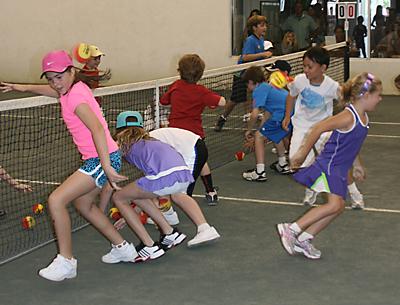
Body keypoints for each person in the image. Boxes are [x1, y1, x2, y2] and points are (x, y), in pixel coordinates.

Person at [0, 50, 137, 281]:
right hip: (102, 158)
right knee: (84, 205)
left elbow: (96, 130)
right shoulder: (75, 87)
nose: (55, 83)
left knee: (56, 200)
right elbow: (51, 91)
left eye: (59, 77)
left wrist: (106, 166)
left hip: (101, 158)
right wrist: (19, 87)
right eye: (50, 78)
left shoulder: (75, 97)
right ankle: (123, 248)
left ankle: (66, 261)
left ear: (71, 71)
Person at [277, 72, 382, 259]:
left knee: (339, 206)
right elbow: (318, 128)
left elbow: (353, 144)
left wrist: (357, 165)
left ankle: (305, 239)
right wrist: (301, 153)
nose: (380, 99)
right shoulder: (347, 116)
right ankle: (291, 230)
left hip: (340, 169)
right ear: (365, 96)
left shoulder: (363, 118)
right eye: (377, 95)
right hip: (329, 166)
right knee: (334, 205)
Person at [111, 111, 221, 250]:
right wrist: (133, 211)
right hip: (186, 162)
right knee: (156, 190)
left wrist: (128, 213)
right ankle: (169, 222)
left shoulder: (128, 144)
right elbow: (147, 189)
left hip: (186, 154)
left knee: (177, 194)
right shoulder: (149, 139)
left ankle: (202, 229)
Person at [160, 54, 226, 205]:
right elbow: (222, 102)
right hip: (194, 138)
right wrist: (210, 100)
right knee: (200, 162)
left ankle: (168, 195)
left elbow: (163, 101)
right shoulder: (201, 91)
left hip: (174, 135)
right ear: (200, 74)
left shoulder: (176, 86)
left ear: (180, 71)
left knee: (173, 164)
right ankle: (207, 193)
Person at [215, 15, 272, 132]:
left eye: (265, 25)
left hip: (251, 74)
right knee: (234, 100)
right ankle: (223, 117)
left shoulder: (261, 40)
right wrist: (262, 55)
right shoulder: (250, 40)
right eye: (262, 25)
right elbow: (245, 57)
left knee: (253, 93)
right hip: (241, 74)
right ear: (254, 28)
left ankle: (249, 119)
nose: (265, 28)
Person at [241, 61, 293, 182]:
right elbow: (268, 114)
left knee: (259, 137)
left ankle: (259, 172)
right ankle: (282, 164)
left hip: (283, 115)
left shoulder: (259, 90)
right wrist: (261, 128)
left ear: (250, 82)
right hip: (290, 114)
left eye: (247, 85)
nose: (247, 88)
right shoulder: (268, 87)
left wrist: (249, 130)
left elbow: (254, 114)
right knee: (275, 136)